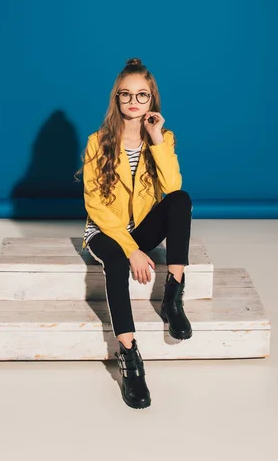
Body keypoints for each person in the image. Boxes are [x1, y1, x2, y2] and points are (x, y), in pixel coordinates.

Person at [74, 57, 193, 409]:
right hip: (105, 232)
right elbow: (95, 206)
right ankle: (129, 357)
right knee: (114, 260)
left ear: (151, 100)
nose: (133, 102)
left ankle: (173, 295)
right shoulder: (98, 142)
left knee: (181, 200)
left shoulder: (163, 137)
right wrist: (131, 249)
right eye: (126, 95)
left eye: (142, 95)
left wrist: (156, 138)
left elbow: (172, 187)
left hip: (138, 228)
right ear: (117, 99)